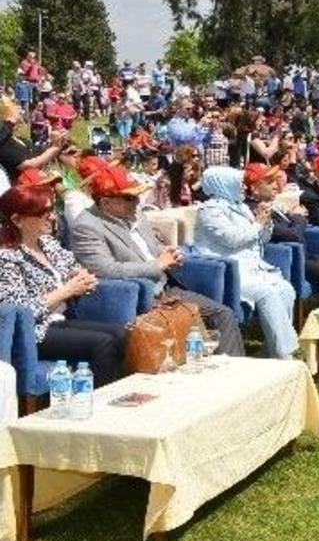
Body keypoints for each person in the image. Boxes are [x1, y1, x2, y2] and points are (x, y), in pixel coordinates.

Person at [68, 161, 245, 356]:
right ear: (105, 202)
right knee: (191, 334)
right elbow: (105, 269)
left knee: (223, 315)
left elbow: (151, 248)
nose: (136, 202)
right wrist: (156, 265)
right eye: (128, 198)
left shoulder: (136, 215)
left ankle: (233, 376)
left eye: (137, 196)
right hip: (137, 296)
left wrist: (167, 252)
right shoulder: (87, 226)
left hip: (165, 288)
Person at [0, 186, 127, 386]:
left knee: (121, 333)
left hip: (60, 320)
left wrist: (81, 276)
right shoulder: (6, 257)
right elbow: (21, 312)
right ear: (17, 220)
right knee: (103, 343)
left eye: (52, 211)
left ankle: (112, 394)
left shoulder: (47, 243)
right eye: (43, 213)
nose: (51, 218)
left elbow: (73, 267)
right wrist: (67, 290)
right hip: (34, 333)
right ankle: (94, 403)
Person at [192, 166, 298, 359]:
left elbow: (260, 239)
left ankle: (271, 350)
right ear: (223, 184)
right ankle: (284, 355)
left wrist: (266, 223)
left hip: (253, 268)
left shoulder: (240, 206)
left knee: (285, 289)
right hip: (230, 271)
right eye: (238, 183)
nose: (243, 187)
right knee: (267, 293)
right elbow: (232, 239)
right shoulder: (209, 210)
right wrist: (257, 223)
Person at [243, 163, 319, 293]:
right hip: (290, 260)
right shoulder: (255, 210)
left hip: (305, 254)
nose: (275, 186)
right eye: (269, 183)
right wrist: (298, 218)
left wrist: (294, 219)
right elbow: (294, 235)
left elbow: (293, 228)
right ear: (254, 188)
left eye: (275, 181)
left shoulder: (267, 204)